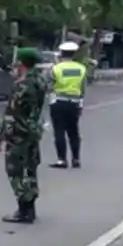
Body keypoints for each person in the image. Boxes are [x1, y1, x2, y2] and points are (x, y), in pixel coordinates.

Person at [0, 47, 46, 224]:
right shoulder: (40, 81)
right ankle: (30, 208)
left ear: (22, 64)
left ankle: (23, 210)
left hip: (18, 133)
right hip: (33, 132)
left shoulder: (22, 86)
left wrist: (0, 138)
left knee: (15, 171)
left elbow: (11, 113)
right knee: (30, 170)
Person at [49, 41, 88, 169]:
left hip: (58, 101)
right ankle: (76, 159)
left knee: (59, 131)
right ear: (74, 54)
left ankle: (62, 160)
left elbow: (49, 85)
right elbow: (83, 89)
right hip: (74, 103)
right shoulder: (81, 68)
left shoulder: (56, 68)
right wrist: (80, 104)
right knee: (74, 132)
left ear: (61, 53)